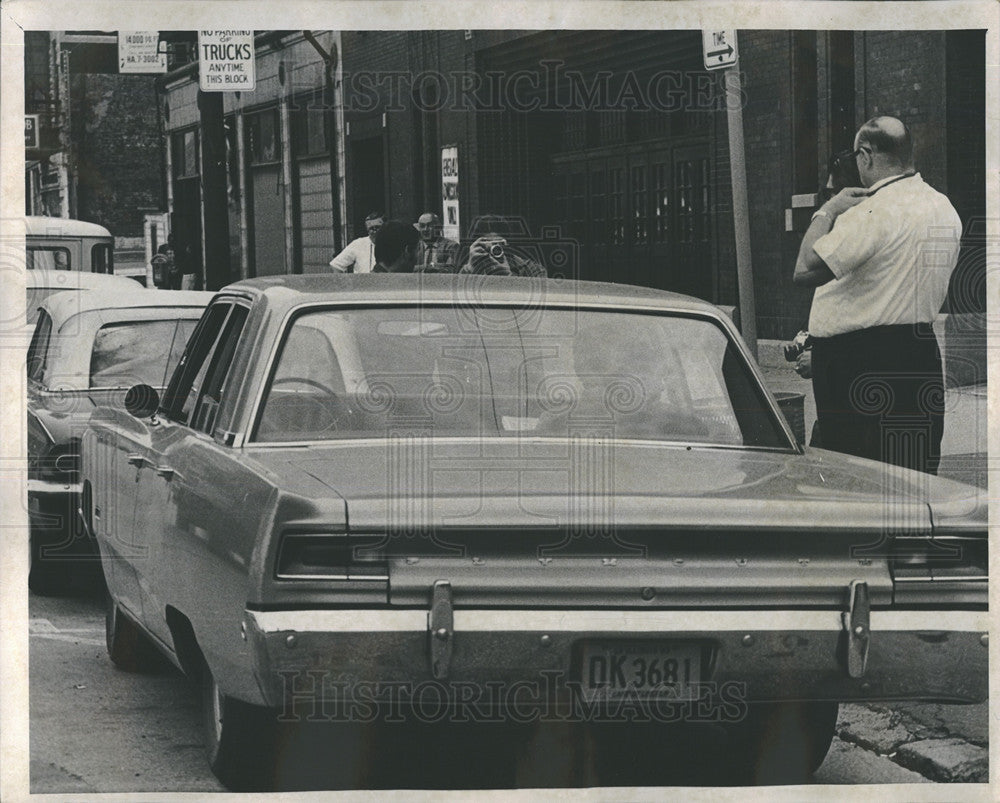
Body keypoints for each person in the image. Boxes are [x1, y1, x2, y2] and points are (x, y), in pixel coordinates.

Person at [793, 116, 961, 474]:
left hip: (858, 366)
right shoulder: (944, 207)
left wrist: (829, 209)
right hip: (919, 355)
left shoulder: (871, 209)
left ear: (866, 156)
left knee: (856, 477)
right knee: (913, 474)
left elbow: (804, 268)